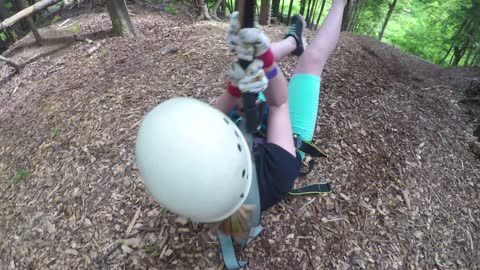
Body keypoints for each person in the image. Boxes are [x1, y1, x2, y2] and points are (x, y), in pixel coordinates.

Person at [135, 0, 349, 239]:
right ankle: (339, 5)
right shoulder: (275, 173)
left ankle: (292, 42)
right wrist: (264, 61)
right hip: (286, 142)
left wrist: (237, 83)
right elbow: (279, 103)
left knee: (250, 68)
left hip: (247, 129)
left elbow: (214, 115)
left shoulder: (188, 184)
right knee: (311, 61)